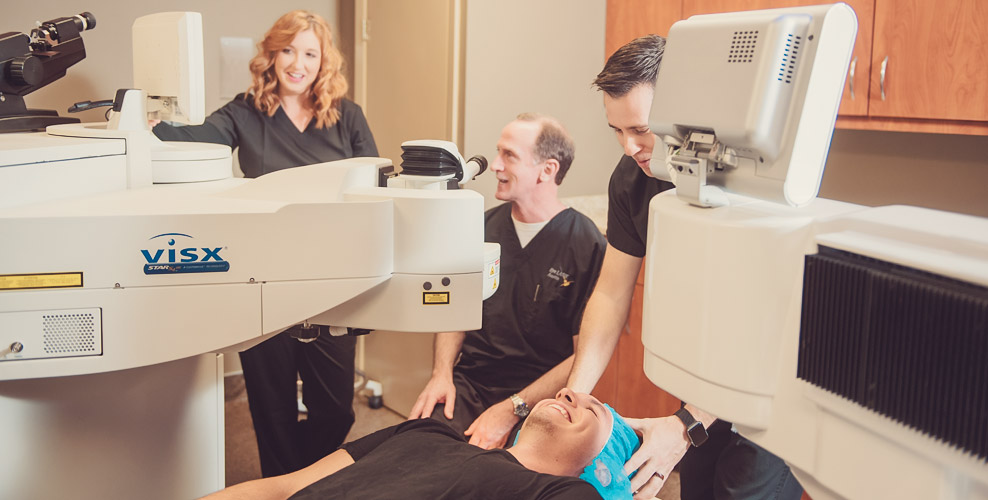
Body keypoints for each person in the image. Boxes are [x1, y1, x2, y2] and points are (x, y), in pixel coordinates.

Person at [566, 35, 804, 500]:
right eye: (616, 130)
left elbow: (759, 325)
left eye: (641, 129)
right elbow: (612, 293)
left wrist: (687, 424)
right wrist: (575, 395)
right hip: (706, 375)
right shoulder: (632, 179)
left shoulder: (744, 184)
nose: (630, 146)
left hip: (770, 386)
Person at [153, 10, 378, 477]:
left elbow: (374, 187)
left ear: (324, 61)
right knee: (271, 408)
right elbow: (195, 140)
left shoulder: (347, 116)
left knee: (336, 411)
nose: (298, 63)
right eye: (288, 50)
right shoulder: (245, 111)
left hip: (330, 280)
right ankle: (285, 485)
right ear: (271, 55)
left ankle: (302, 475)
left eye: (310, 53)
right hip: (264, 277)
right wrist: (151, 123)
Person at [407, 113, 606, 449]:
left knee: (499, 477)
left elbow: (583, 355)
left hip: (542, 399)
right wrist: (441, 374)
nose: (495, 165)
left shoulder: (585, 243)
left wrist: (513, 409)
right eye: (498, 152)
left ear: (548, 170)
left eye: (509, 155)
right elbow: (455, 311)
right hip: (469, 384)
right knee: (415, 449)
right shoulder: (479, 227)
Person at [201, 389, 640, 500]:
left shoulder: (560, 493)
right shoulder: (423, 431)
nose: (573, 394)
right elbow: (282, 488)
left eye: (596, 410)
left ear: (597, 464)